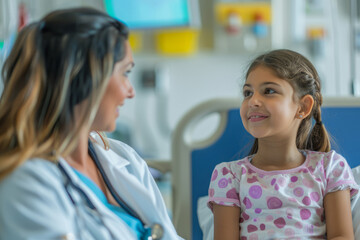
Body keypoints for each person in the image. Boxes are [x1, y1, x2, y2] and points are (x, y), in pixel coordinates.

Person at [0, 7, 182, 240]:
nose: (131, 91)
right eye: (125, 73)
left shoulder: (125, 160)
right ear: (86, 78)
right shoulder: (26, 183)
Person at [207, 49, 359, 239]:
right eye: (247, 92)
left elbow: (342, 236)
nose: (253, 101)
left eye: (269, 91)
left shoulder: (329, 168)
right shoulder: (229, 176)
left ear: (303, 107)